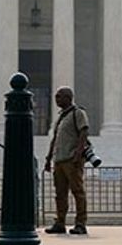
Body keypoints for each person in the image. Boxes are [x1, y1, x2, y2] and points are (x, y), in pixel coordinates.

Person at [43, 87, 90, 235]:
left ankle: (80, 224)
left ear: (69, 98)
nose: (57, 99)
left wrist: (78, 153)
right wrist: (49, 158)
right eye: (56, 97)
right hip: (59, 160)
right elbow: (55, 139)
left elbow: (84, 132)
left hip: (72, 159)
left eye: (60, 97)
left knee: (77, 191)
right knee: (60, 193)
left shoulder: (78, 113)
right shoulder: (61, 117)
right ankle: (60, 222)